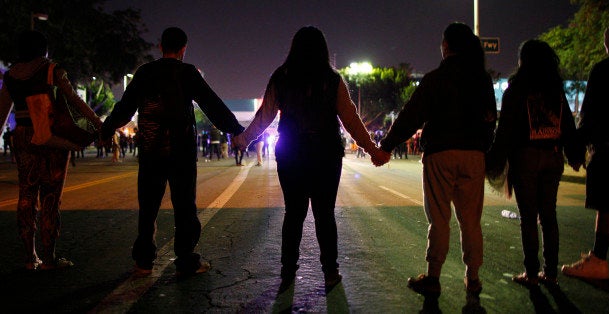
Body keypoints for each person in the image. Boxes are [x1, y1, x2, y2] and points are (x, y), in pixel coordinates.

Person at [233, 26, 387, 292]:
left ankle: (287, 272)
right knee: (324, 214)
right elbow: (350, 120)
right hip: (326, 153)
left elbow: (265, 115)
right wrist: (373, 150)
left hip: (291, 152)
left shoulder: (281, 77)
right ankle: (330, 272)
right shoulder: (332, 79)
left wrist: (243, 140)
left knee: (294, 213)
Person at [101, 27, 244, 276]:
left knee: (148, 206)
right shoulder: (186, 72)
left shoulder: (144, 73)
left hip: (150, 150)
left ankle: (143, 261)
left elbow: (124, 108)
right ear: (183, 49)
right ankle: (186, 260)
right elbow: (212, 104)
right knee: (184, 205)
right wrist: (236, 130)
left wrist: (106, 128)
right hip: (181, 151)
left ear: (160, 46)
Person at [378, 22, 497, 298]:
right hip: (473, 155)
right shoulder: (482, 79)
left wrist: (385, 147)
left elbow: (411, 116)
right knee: (471, 221)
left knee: (439, 219)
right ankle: (474, 277)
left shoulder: (434, 79)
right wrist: (483, 150)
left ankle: (433, 277)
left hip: (440, 155)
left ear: (446, 47)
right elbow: (490, 119)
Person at [0, 30, 103, 270]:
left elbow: (3, 111)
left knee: (26, 194)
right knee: (50, 196)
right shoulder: (51, 70)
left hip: (23, 136)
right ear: (43, 49)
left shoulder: (12, 75)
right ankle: (49, 257)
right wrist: (98, 124)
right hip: (50, 137)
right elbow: (75, 101)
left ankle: (29, 256)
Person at [485, 39, 584, 287]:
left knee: (528, 217)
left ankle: (531, 273)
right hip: (552, 156)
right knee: (548, 215)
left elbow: (505, 131)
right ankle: (550, 273)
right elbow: (568, 126)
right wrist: (574, 154)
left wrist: (492, 161)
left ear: (524, 61)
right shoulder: (556, 91)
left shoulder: (516, 90)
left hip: (526, 157)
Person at [561, 17, 609, 280]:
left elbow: (588, 116)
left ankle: (599, 259)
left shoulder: (604, 70)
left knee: (607, 206)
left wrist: (576, 151)